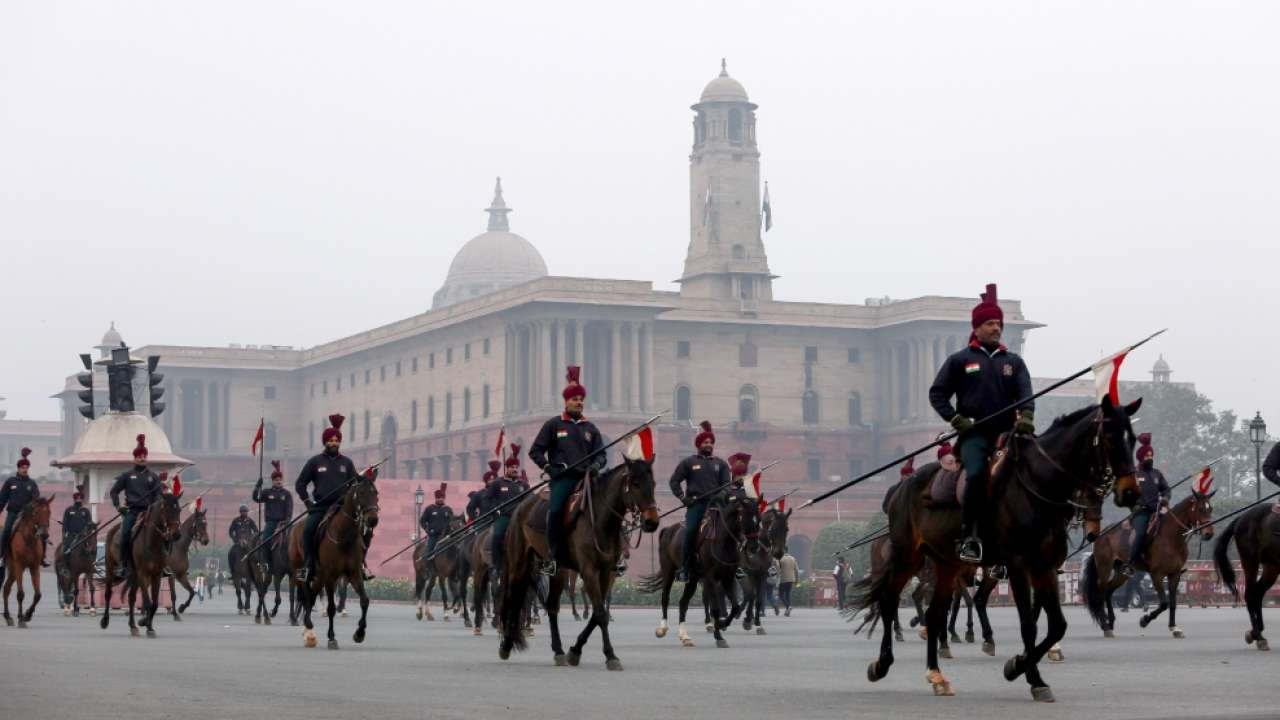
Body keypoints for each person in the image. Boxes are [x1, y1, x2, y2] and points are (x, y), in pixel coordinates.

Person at [928, 283, 1034, 564]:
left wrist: (1027, 417)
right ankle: (970, 535)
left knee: (1035, 470)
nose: (996, 328)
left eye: (998, 323)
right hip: (975, 435)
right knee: (976, 475)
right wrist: (955, 418)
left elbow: (1025, 394)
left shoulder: (1014, 362)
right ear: (976, 328)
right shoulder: (960, 360)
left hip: (1007, 434)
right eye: (990, 323)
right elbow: (937, 394)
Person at [529, 366, 605, 576]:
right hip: (563, 479)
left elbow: (601, 454)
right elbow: (535, 451)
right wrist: (548, 468)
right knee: (554, 512)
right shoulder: (554, 424)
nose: (579, 402)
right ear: (566, 401)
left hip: (587, 478)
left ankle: (611, 555)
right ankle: (552, 556)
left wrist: (597, 466)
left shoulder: (590, 428)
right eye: (574, 399)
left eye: (581, 399)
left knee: (608, 507)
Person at [294, 414, 360, 583]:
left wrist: (365, 477)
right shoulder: (315, 462)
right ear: (325, 442)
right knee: (308, 531)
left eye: (337, 440)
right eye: (330, 440)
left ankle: (361, 565)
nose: (334, 443)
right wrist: (307, 502)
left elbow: (356, 483)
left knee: (361, 531)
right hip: (320, 507)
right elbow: (300, 483)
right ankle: (309, 564)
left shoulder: (347, 463)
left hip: (342, 507)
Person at [669, 421, 730, 582]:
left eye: (710, 442)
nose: (708, 445)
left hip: (717, 505)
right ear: (698, 444)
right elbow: (674, 481)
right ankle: (685, 567)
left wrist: (722, 494)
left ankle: (736, 566)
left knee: (734, 528)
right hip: (696, 504)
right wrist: (683, 498)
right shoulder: (689, 462)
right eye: (705, 442)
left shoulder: (721, 464)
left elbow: (727, 484)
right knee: (690, 531)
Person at [108, 435, 163, 580]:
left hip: (149, 512)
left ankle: (164, 564)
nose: (142, 458)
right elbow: (114, 491)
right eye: (139, 456)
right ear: (134, 459)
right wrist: (118, 506)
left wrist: (156, 502)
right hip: (132, 512)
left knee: (165, 533)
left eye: (144, 456)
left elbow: (159, 495)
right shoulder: (127, 476)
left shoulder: (153, 477)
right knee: (125, 534)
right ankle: (123, 565)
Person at [1122, 433, 1170, 575]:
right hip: (1141, 512)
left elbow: (1166, 489)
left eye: (1151, 456)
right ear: (1141, 458)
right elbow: (1126, 494)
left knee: (1170, 529)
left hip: (1156, 511)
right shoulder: (1134, 474)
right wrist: (1133, 505)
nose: (1150, 459)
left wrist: (1166, 498)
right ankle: (1130, 563)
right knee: (1141, 534)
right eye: (1146, 456)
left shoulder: (1157, 474)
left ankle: (1171, 562)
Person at [0, 448, 46, 568]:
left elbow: (36, 499)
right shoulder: (11, 482)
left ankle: (43, 557)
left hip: (27, 516)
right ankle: (2, 556)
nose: (25, 469)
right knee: (5, 531)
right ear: (18, 468)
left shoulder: (32, 484)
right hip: (13, 513)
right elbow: (2, 499)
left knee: (43, 532)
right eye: (22, 467)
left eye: (26, 467)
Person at [484, 464, 524, 572]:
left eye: (516, 467)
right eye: (512, 467)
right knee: (497, 536)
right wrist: (495, 510)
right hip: (504, 516)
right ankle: (496, 565)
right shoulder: (498, 483)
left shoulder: (523, 484)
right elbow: (487, 499)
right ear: (507, 468)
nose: (515, 469)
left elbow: (529, 498)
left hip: (520, 519)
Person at [253, 460, 293, 566]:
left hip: (285, 522)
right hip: (271, 522)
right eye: (276, 480)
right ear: (273, 481)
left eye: (280, 479)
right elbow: (256, 498)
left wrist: (288, 518)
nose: (278, 481)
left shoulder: (287, 494)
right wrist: (257, 487)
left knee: (296, 538)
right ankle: (267, 562)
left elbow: (289, 507)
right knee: (265, 540)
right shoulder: (267, 492)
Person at [60, 491, 93, 571]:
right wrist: (64, 534)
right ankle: (64, 568)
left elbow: (89, 523)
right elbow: (65, 523)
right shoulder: (69, 510)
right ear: (74, 499)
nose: (79, 500)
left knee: (90, 550)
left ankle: (90, 567)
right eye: (77, 498)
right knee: (65, 550)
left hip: (83, 536)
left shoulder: (86, 511)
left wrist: (90, 529)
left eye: (80, 498)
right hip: (71, 535)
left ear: (82, 499)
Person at [419, 483, 453, 557]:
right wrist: (427, 530)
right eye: (439, 497)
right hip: (434, 535)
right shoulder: (430, 509)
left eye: (442, 497)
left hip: (445, 535)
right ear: (436, 498)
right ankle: (428, 566)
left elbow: (452, 521)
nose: (441, 499)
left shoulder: (448, 509)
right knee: (428, 553)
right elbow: (422, 521)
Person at [778, 548, 799, 616]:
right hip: (791, 579)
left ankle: (788, 606)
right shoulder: (793, 558)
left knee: (781, 595)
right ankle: (787, 611)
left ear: (783, 551)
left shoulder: (780, 559)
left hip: (783, 579)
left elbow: (778, 569)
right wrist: (796, 580)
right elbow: (796, 570)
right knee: (787, 594)